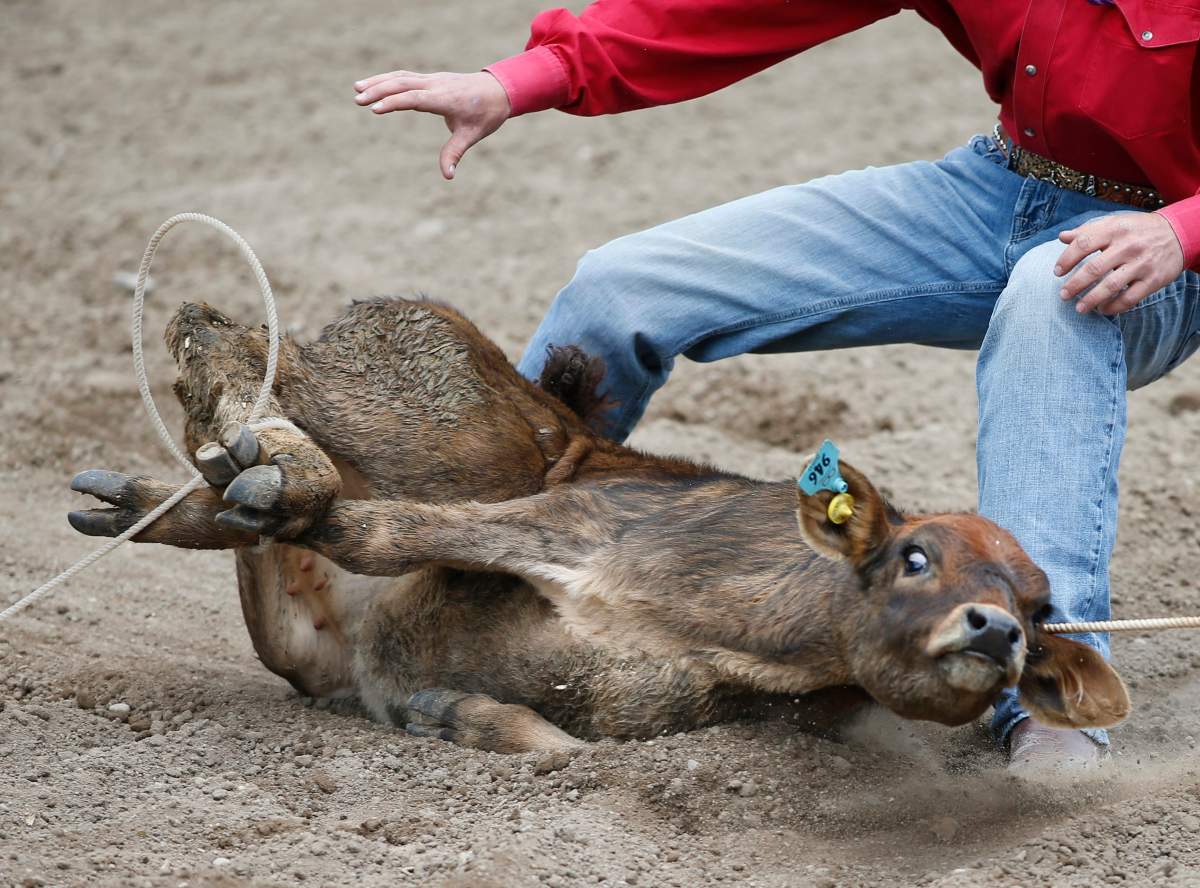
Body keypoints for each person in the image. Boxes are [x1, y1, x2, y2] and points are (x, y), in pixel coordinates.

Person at [350, 1, 1199, 773]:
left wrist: (1178, 231)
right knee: (622, 287)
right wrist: (525, 79)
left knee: (1057, 288)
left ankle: (1047, 718)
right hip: (998, 184)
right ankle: (458, 553)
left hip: (1168, 243)